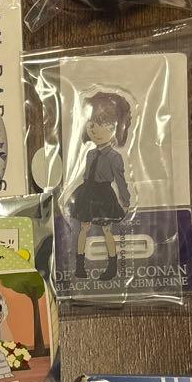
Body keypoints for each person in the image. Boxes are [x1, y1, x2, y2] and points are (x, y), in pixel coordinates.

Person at [66, 91, 131, 281]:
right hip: (87, 192)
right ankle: (80, 266)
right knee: (83, 227)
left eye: (102, 124)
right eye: (91, 123)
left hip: (103, 195)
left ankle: (112, 267)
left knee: (106, 229)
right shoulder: (90, 154)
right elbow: (86, 175)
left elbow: (120, 180)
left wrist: (125, 200)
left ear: (114, 129)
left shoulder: (114, 157)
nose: (94, 129)